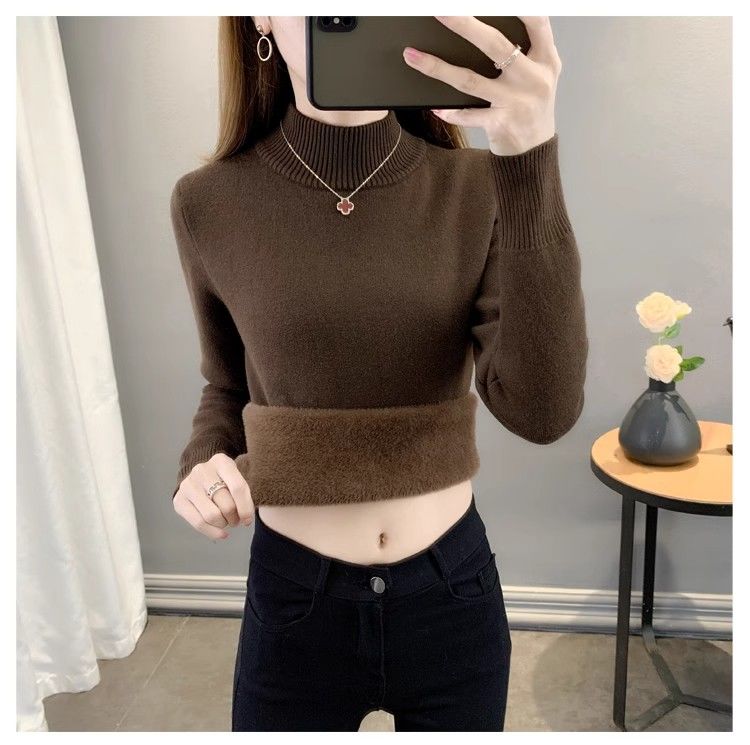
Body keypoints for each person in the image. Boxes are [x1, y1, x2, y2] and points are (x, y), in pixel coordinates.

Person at [169, 15, 588, 732]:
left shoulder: (478, 185)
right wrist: (202, 463)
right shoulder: (207, 202)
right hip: (294, 599)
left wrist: (530, 154)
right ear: (261, 16)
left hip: (450, 594)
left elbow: (543, 412)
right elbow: (228, 384)